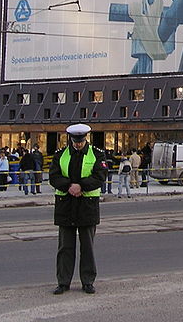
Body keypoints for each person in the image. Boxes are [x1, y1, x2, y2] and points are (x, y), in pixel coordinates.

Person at [49, 123, 107, 295]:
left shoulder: (97, 154)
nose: (78, 144)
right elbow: (53, 176)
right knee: (65, 247)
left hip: (86, 206)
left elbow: (100, 176)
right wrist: (70, 187)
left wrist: (80, 186)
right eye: (75, 141)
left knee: (87, 247)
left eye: (80, 141)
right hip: (66, 205)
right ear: (71, 139)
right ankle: (63, 282)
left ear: (85, 139)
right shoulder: (61, 155)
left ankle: (88, 281)